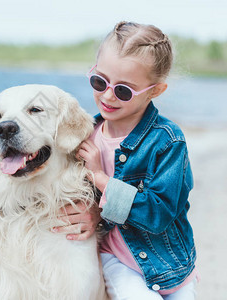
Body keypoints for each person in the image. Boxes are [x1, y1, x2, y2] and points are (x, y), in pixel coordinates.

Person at [77, 21, 197, 299]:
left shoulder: (168, 142)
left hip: (171, 263)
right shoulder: (84, 136)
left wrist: (101, 178)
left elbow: (159, 214)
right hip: (118, 260)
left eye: (123, 90)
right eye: (99, 81)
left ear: (155, 91)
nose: (107, 95)